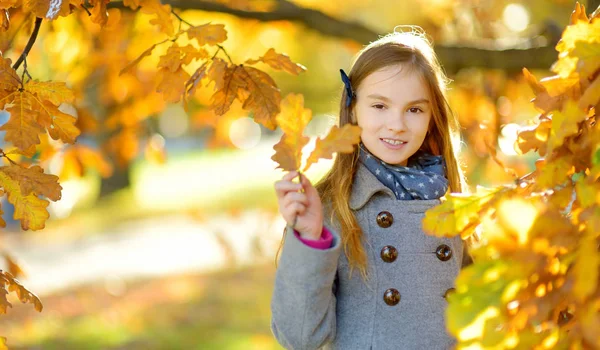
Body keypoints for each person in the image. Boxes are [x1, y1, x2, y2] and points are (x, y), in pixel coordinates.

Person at [271, 26, 475, 350]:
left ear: (432, 117)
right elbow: (300, 337)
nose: (396, 124)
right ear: (352, 108)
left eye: (414, 109)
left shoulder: (453, 200)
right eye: (380, 106)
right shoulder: (332, 206)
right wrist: (310, 237)